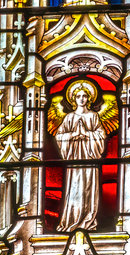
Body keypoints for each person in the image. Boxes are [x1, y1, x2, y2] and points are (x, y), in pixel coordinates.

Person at [52, 81, 108, 233]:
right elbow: (59, 136)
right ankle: (72, 220)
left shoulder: (93, 116)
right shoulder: (69, 117)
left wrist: (87, 134)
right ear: (73, 99)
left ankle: (88, 221)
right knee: (75, 189)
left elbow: (100, 135)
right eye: (78, 96)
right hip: (74, 159)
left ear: (89, 99)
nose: (81, 99)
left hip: (90, 159)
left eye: (84, 96)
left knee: (88, 189)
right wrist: (73, 135)